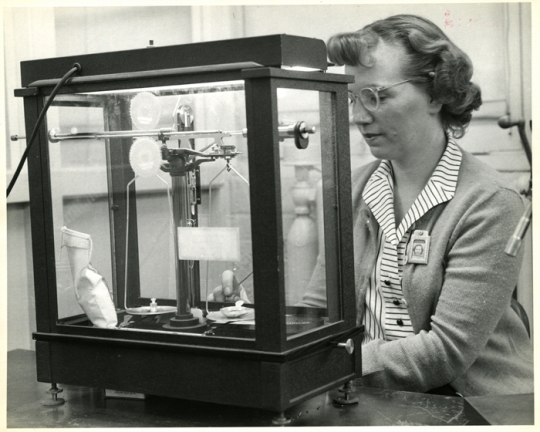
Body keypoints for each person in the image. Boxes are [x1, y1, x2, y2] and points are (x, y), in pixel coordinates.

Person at [210, 14, 534, 397]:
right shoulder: (353, 188)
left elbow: (445, 351)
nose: (359, 117)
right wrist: (250, 320)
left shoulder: (490, 202)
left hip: (470, 403)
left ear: (436, 94)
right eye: (352, 98)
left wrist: (326, 367)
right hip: (372, 393)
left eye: (377, 96)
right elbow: (320, 309)